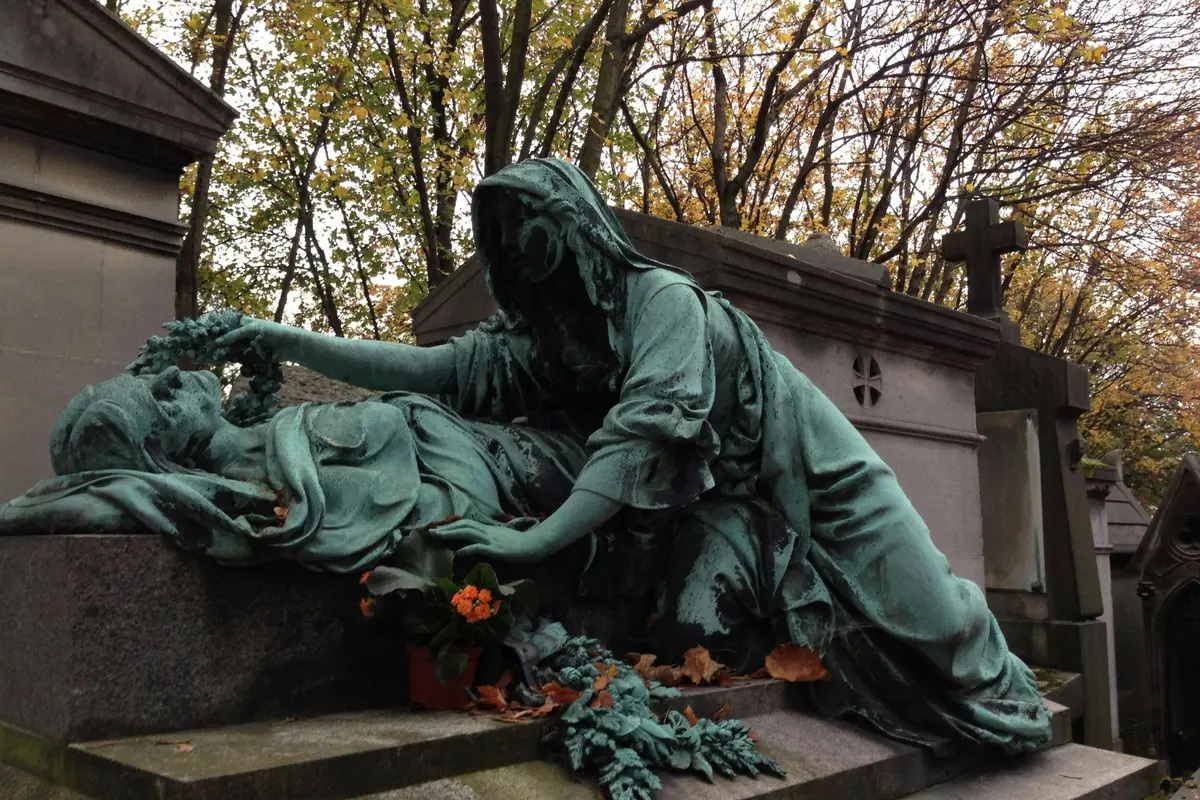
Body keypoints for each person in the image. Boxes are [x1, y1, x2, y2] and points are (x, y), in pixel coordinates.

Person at [212, 158, 1051, 754]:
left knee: (934, 621)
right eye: (504, 239)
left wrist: (538, 543)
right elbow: (440, 372)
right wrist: (290, 342)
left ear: (574, 228)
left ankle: (1005, 677)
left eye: (530, 229)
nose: (520, 252)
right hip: (730, 510)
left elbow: (644, 431)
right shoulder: (556, 339)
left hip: (817, 477)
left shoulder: (664, 303)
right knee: (708, 627)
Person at [0, 367, 586, 574]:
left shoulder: (282, 440)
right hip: (531, 474)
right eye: (160, 405)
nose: (170, 379)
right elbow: (450, 510)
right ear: (164, 463)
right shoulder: (288, 492)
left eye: (150, 379)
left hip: (527, 441)